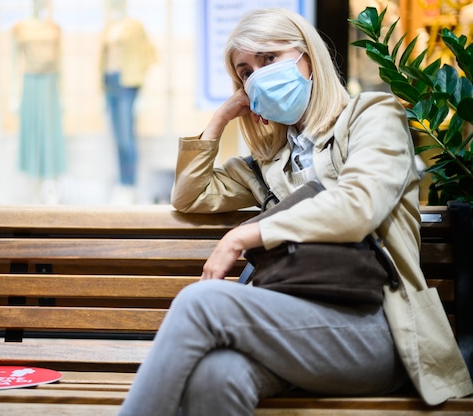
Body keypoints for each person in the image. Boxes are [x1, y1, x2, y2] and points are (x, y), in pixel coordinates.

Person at [118, 8, 472, 416]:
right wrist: (220, 119)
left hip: (383, 328)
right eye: (245, 72)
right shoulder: (269, 162)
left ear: (308, 57)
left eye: (269, 59)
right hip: (299, 324)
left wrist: (243, 236)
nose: (258, 75)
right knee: (219, 374)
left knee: (202, 303)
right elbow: (189, 196)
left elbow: (360, 206)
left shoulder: (373, 116)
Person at [11, 0, 67, 204]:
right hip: (30, 83)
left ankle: (50, 187)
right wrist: (13, 95)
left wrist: (63, 94)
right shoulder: (20, 28)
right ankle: (34, 188)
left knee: (50, 134)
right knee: (33, 132)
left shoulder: (55, 28)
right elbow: (14, 63)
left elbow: (61, 64)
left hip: (51, 84)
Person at [100, 0, 155, 204]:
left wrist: (142, 93)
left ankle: (129, 183)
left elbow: (148, 56)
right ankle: (122, 182)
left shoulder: (135, 26)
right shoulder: (109, 26)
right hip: (110, 83)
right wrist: (101, 91)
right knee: (117, 137)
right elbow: (103, 59)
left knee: (126, 137)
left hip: (128, 85)